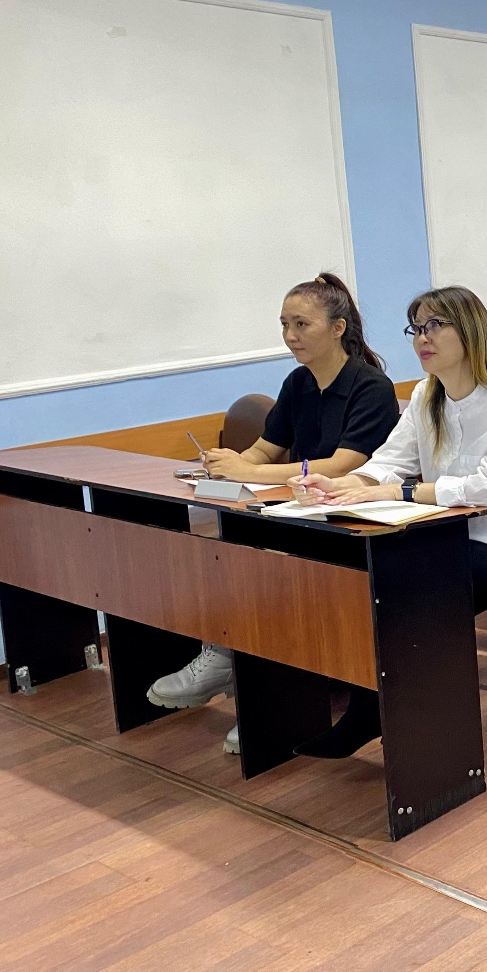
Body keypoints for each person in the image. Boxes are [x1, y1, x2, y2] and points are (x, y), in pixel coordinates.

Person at [293, 285, 487, 759]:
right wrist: (343, 485)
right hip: (460, 542)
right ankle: (388, 712)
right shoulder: (427, 395)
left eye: (434, 326)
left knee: (421, 575)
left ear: (470, 332)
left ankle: (411, 724)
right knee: (390, 573)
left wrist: (401, 492)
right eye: (416, 329)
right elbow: (389, 462)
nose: (422, 338)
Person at [145, 273, 398, 755]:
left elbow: (344, 464)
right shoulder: (299, 382)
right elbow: (266, 448)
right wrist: (231, 464)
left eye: (301, 324)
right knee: (231, 553)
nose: (290, 336)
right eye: (284, 324)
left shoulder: (371, 387)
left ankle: (268, 691)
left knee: (272, 571)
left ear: (338, 328)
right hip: (300, 509)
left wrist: (253, 472)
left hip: (350, 519)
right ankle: (231, 660)